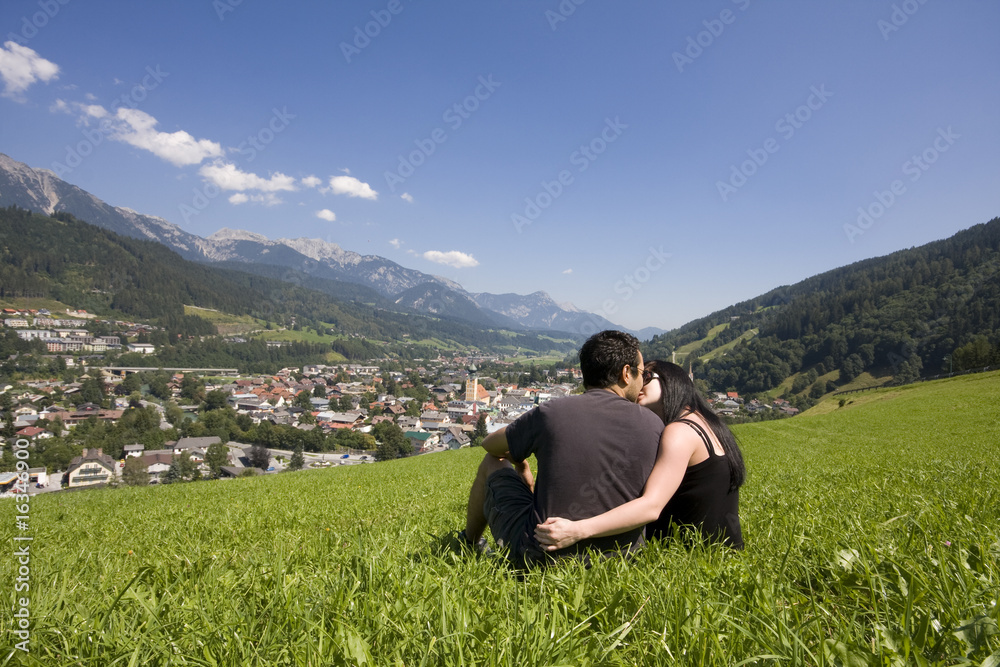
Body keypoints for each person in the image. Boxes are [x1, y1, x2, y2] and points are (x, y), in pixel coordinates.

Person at [459, 330, 664, 566]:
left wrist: (519, 457)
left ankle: (469, 543)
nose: (642, 381)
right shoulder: (654, 425)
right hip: (621, 560)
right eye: (642, 373)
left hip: (542, 554)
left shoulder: (552, 412)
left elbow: (489, 445)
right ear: (626, 373)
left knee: (492, 462)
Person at [534, 360, 745, 551]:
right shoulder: (706, 423)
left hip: (691, 557)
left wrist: (577, 530)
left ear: (671, 381)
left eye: (647, 377)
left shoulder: (680, 432)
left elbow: (651, 506)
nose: (639, 384)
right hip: (720, 553)